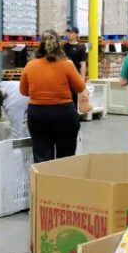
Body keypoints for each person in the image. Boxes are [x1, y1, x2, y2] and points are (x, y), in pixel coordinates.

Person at [22, 33, 87, 162]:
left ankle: (44, 181)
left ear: (40, 46)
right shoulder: (67, 64)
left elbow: (24, 91)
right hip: (64, 114)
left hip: (38, 114)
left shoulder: (30, 65)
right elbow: (80, 87)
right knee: (65, 158)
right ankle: (61, 181)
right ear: (59, 46)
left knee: (42, 157)